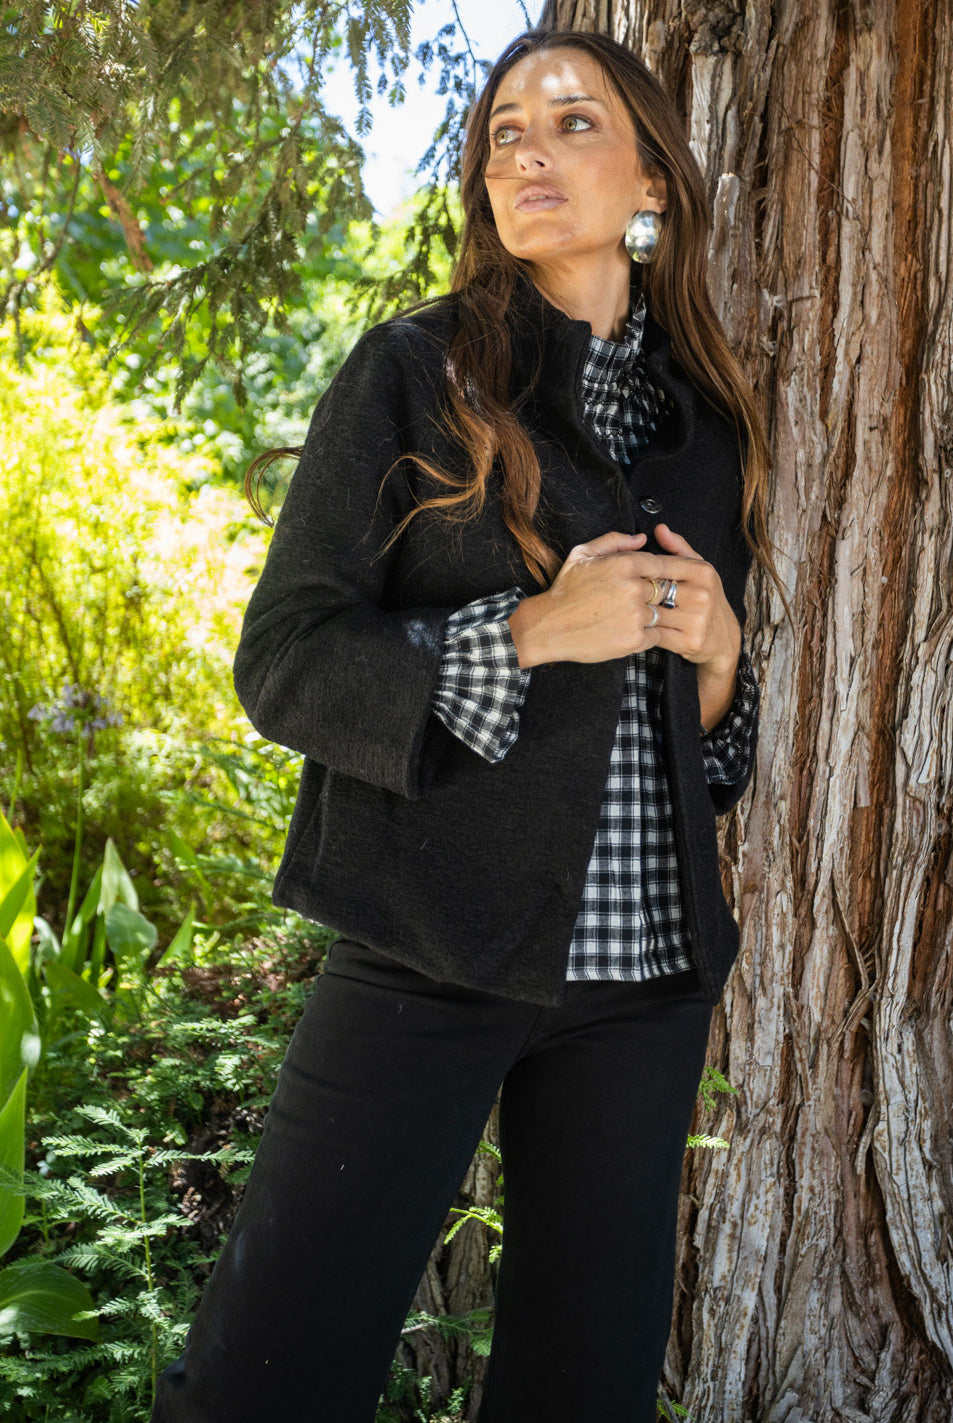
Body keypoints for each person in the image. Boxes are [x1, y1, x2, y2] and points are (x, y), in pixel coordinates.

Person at [152, 25, 783, 1423]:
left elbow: (703, 762)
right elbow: (283, 662)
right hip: (426, 944)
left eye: (570, 123)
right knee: (266, 1378)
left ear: (653, 181)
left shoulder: (706, 427)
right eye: (503, 133)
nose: (526, 154)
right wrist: (525, 633)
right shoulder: (413, 374)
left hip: (644, 982)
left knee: (585, 1390)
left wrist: (722, 664)